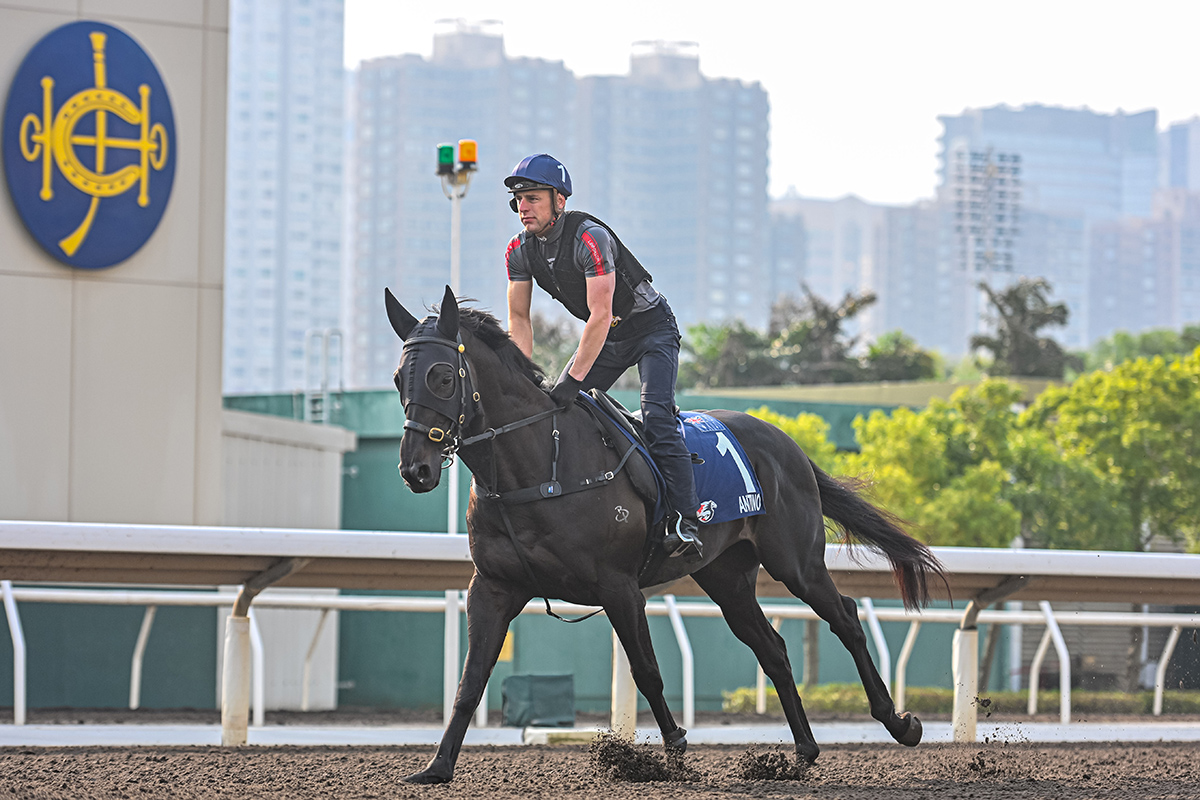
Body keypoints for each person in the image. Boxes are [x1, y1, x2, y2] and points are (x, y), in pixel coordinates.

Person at [503, 153, 704, 561]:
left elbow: (601, 315)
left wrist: (571, 381)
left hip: (650, 330)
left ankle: (687, 520)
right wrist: (519, 379)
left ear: (559, 200)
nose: (523, 207)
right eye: (518, 200)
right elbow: (520, 321)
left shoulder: (589, 238)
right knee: (559, 413)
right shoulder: (518, 252)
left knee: (657, 417)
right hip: (609, 339)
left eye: (533, 198)